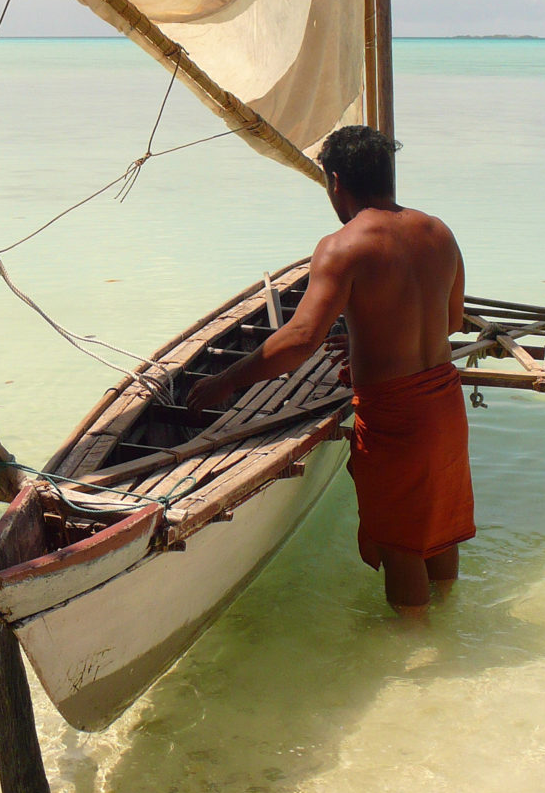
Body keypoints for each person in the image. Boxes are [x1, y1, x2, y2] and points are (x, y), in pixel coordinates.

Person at [187, 124, 474, 612]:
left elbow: (299, 341)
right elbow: (450, 320)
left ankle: (414, 654)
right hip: (445, 405)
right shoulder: (438, 232)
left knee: (401, 546)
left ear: (335, 181)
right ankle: (449, 629)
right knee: (439, 532)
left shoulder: (342, 246)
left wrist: (223, 382)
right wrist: (370, 337)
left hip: (396, 420)